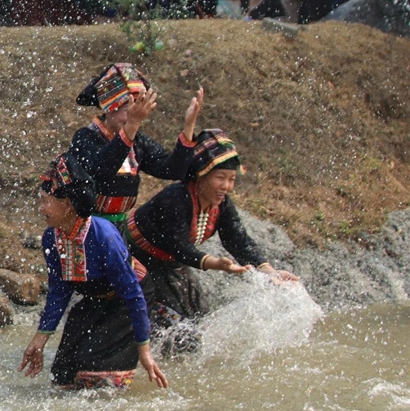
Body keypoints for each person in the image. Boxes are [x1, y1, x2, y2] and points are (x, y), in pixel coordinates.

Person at [127, 128, 299, 351]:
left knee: (199, 323)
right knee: (176, 333)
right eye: (220, 178)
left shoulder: (222, 204)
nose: (226, 187)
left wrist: (269, 271)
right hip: (137, 263)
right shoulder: (175, 198)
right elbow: (180, 247)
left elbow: (239, 241)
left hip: (171, 267)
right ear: (201, 174)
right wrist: (216, 264)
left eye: (232, 179)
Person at [18, 155, 168, 390]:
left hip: (126, 302)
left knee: (95, 373)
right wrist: (39, 340)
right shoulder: (51, 237)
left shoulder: (103, 236)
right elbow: (59, 291)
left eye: (46, 201)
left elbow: (134, 295)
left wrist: (144, 352)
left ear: (67, 205)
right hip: (95, 299)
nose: (41, 208)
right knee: (64, 373)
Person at [67, 64, 201, 228]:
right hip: (85, 225)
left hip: (118, 227)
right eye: (127, 109)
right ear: (110, 108)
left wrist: (189, 127)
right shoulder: (85, 137)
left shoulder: (137, 142)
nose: (133, 117)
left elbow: (172, 170)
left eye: (137, 110)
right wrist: (132, 125)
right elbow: (102, 170)